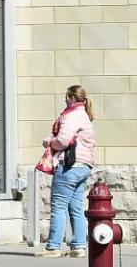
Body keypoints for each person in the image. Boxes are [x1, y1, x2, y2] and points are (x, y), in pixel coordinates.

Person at [36, 85, 97, 258]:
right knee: (76, 208)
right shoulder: (84, 115)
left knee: (58, 207)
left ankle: (53, 246)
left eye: (65, 97)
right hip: (84, 166)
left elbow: (62, 141)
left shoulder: (72, 115)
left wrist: (49, 141)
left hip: (70, 166)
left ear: (70, 98)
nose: (64, 100)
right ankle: (78, 246)